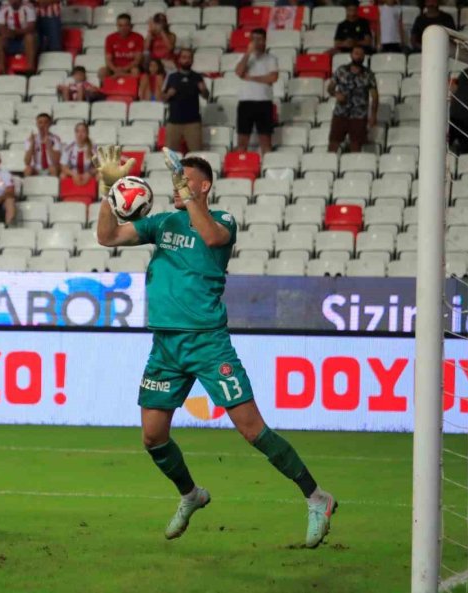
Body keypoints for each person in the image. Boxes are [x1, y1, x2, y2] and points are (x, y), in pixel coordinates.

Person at [94, 145, 336, 548]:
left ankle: (317, 497)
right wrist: (109, 193)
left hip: (208, 342)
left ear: (204, 186)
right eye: (177, 179)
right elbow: (107, 236)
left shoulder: (222, 221)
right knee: (153, 437)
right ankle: (191, 495)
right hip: (166, 345)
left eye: (185, 180)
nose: (178, 186)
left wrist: (188, 198)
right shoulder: (163, 222)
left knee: (252, 429)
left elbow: (208, 234)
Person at [235, 28, 278, 155]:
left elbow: (273, 77)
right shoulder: (243, 57)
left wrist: (251, 78)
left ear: (265, 41)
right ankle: (241, 168)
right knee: (242, 142)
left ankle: (266, 169)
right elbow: (239, 72)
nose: (256, 42)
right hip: (245, 102)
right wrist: (248, 53)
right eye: (253, 39)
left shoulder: (271, 59)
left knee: (265, 142)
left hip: (264, 102)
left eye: (259, 39)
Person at [328, 45, 378, 153]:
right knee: (333, 143)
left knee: (356, 145)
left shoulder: (368, 74)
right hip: (340, 113)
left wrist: (373, 115)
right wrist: (336, 94)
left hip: (358, 115)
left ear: (364, 56)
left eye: (361, 54)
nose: (358, 56)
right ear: (351, 55)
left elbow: (374, 96)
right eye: (356, 53)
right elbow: (330, 88)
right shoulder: (341, 70)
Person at [163, 48, 209, 154]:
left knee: (196, 156)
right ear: (179, 59)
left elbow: (206, 96)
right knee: (170, 156)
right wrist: (169, 94)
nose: (187, 60)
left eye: (189, 58)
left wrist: (204, 90)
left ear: (192, 60)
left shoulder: (197, 77)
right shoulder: (172, 77)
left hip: (193, 123)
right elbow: (163, 98)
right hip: (174, 122)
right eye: (184, 57)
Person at [0, 0, 37, 75]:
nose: (13, 1)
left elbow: (31, 27)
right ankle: (1, 70)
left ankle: (30, 69)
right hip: (10, 39)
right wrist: (6, 33)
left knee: (29, 37)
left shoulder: (28, 7)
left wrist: (15, 32)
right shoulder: (4, 7)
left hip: (23, 38)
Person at [99, 14, 144, 81]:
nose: (123, 28)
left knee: (135, 71)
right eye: (120, 25)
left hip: (130, 68)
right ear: (117, 26)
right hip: (115, 68)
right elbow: (108, 60)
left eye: (126, 25)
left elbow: (137, 60)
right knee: (102, 72)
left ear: (130, 26)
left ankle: (132, 91)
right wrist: (116, 70)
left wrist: (123, 70)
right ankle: (105, 91)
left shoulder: (138, 37)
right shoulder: (110, 38)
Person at [24, 112, 61, 177]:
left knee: (54, 168)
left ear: (50, 124)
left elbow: (56, 161)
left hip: (50, 167)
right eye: (40, 122)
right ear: (37, 124)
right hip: (37, 168)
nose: (43, 125)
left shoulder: (56, 139)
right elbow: (27, 162)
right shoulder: (30, 139)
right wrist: (32, 145)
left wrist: (49, 146)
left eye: (45, 122)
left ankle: (52, 186)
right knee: (27, 169)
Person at [60, 122, 96, 186]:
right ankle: (67, 195)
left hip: (88, 173)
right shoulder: (69, 147)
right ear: (75, 133)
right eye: (77, 131)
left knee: (100, 176)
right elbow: (63, 167)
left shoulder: (93, 148)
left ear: (87, 133)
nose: (80, 134)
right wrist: (73, 174)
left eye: (83, 131)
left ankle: (95, 195)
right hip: (74, 173)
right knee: (62, 175)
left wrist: (89, 173)